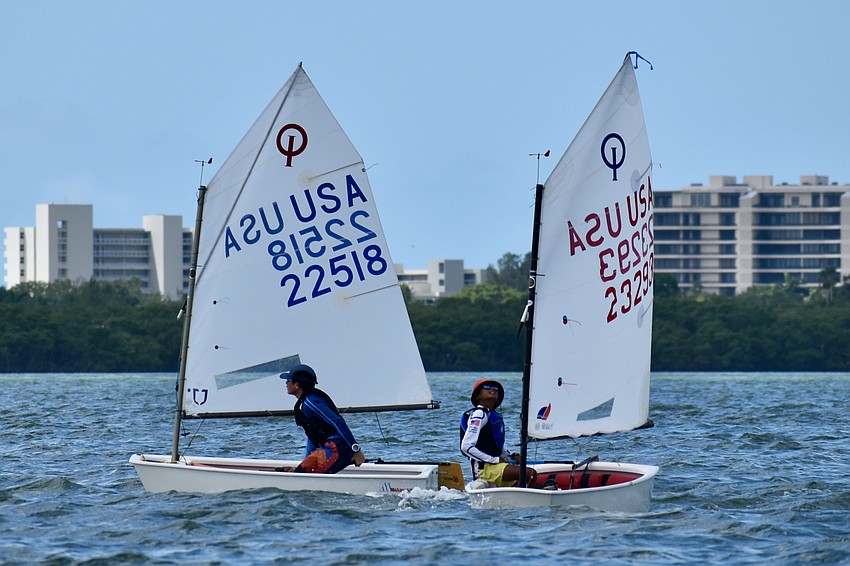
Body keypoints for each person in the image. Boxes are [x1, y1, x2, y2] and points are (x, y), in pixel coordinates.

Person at [280, 364, 366, 474]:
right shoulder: (304, 403)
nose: (286, 383)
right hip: (329, 448)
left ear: (297, 385)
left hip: (337, 447)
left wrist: (356, 449)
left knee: (303, 473)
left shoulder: (311, 402)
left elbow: (336, 421)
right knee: (301, 471)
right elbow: (312, 437)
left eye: (288, 380)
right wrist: (303, 465)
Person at [460, 379, 537, 488]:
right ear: (478, 396)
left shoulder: (493, 415)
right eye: (487, 387)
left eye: (495, 388)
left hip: (496, 467)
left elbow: (498, 447)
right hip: (484, 470)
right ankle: (525, 498)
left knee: (537, 482)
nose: (492, 389)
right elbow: (466, 446)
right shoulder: (479, 414)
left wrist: (510, 456)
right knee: (531, 474)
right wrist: (495, 460)